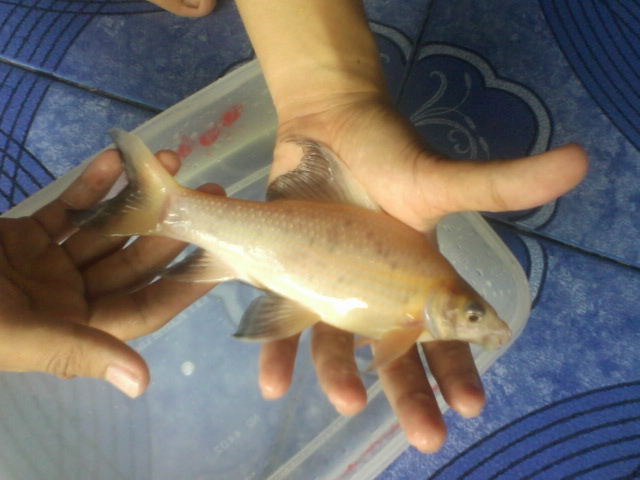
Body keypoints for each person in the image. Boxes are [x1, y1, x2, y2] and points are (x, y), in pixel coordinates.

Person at [0, 0, 588, 454]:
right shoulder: (413, 317)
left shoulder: (419, 308)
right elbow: (386, 338)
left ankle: (170, 204)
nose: (476, 323)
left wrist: (331, 99)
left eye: (473, 316)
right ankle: (169, 205)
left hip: (287, 242)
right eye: (472, 316)